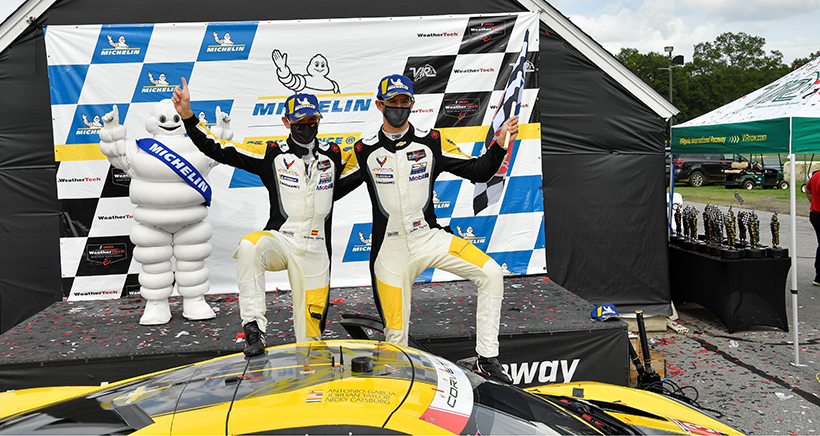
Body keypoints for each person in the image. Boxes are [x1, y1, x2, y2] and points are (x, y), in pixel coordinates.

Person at [345, 74, 518, 383]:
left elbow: (479, 170)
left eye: (404, 102)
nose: (398, 108)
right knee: (396, 338)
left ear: (412, 104)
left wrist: (500, 145)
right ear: (379, 105)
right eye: (392, 103)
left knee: (491, 272)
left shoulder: (431, 140)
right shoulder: (363, 150)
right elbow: (330, 191)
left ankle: (487, 358)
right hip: (389, 251)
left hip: (428, 237)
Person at [172, 77, 355, 356]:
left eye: (312, 121)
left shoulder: (334, 155)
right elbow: (218, 147)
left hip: (317, 251)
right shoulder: (271, 154)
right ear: (286, 122)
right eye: (299, 122)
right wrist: (188, 116)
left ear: (319, 121)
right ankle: (254, 329)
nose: (306, 127)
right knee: (250, 246)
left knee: (310, 344)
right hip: (282, 241)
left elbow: (372, 165)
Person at [806, 170, 820, 286]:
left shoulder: (816, 175)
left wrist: (813, 202)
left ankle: (819, 276)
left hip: (815, 213)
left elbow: (808, 190)